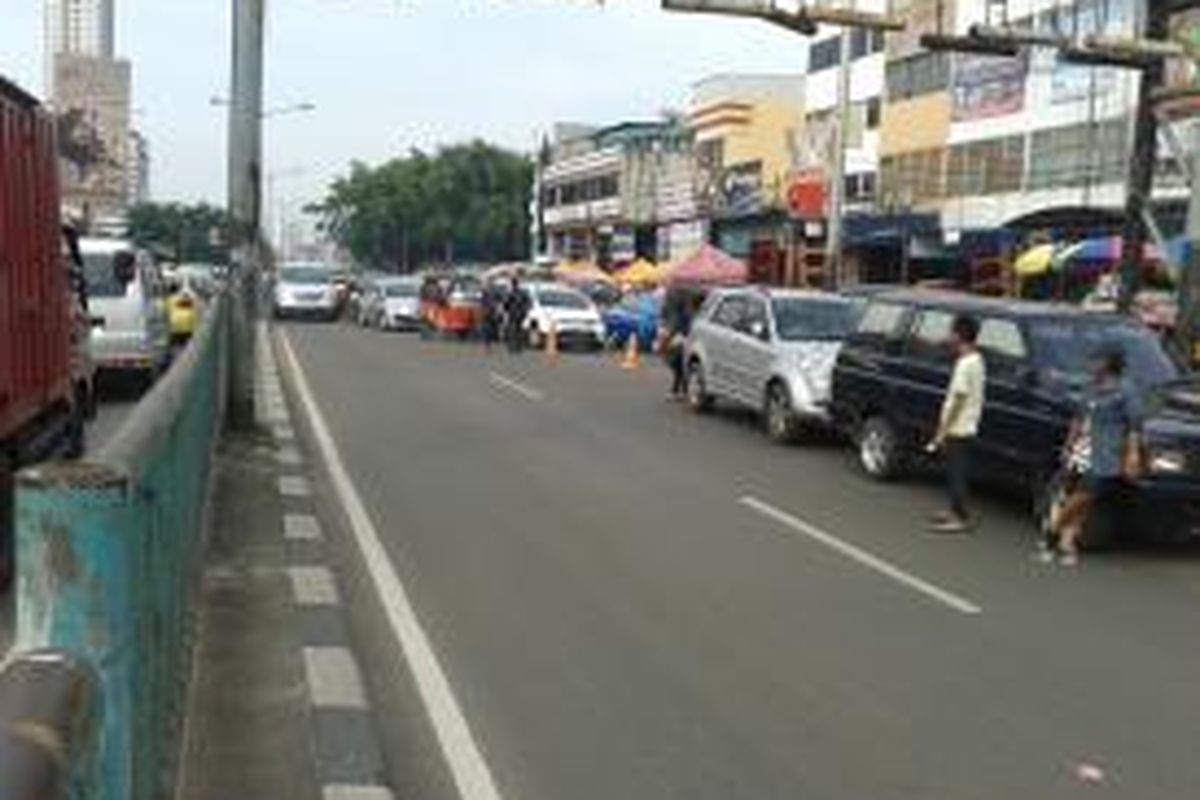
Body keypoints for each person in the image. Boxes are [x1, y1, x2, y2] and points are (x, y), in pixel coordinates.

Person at [1043, 345, 1141, 566]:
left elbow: (1134, 425)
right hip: (1082, 448)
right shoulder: (1091, 387)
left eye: (1095, 360)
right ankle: (1067, 543)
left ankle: (1053, 530)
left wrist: (1132, 454)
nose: (1091, 365)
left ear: (1107, 364)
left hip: (1106, 451)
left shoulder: (1126, 390)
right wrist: (1068, 445)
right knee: (1079, 497)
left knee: (1086, 495)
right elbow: (1078, 419)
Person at [928, 314, 986, 533]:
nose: (948, 336)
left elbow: (959, 399)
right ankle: (953, 511)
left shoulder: (965, 364)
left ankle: (961, 518)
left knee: (956, 473)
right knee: (955, 471)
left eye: (951, 332)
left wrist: (942, 432)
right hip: (967, 424)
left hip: (959, 427)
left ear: (959, 336)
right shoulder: (977, 359)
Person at [660, 288, 697, 401]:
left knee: (678, 361)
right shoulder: (671, 294)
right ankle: (681, 390)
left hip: (679, 332)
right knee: (674, 361)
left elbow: (688, 315)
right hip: (672, 331)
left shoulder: (684, 294)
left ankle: (679, 390)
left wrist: (683, 333)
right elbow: (664, 312)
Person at [503, 277, 530, 353]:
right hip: (520, 313)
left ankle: (512, 347)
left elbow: (506, 303)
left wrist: (506, 310)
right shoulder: (522, 292)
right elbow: (527, 302)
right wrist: (525, 311)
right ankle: (518, 347)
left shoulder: (511, 293)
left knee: (512, 330)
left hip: (513, 313)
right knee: (518, 329)